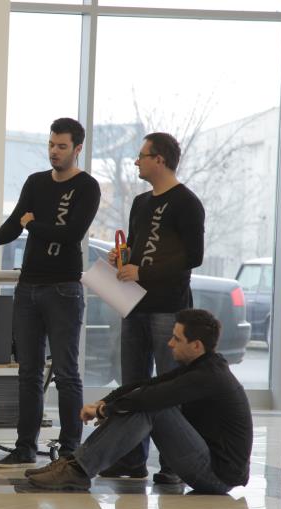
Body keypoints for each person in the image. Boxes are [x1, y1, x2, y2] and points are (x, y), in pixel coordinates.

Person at [0, 118, 101, 467]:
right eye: (51, 145)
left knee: (66, 372)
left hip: (63, 288)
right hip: (29, 287)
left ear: (77, 149)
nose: (54, 152)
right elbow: (17, 221)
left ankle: (71, 450)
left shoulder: (87, 187)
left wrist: (33, 225)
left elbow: (71, 234)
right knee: (28, 372)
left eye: (62, 146)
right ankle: (25, 447)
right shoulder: (36, 182)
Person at [25, 309, 253, 495]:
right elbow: (147, 384)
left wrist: (105, 411)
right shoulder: (202, 366)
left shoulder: (208, 376)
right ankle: (76, 465)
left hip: (217, 477)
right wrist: (104, 402)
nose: (170, 343)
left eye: (177, 339)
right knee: (145, 400)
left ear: (196, 346)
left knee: (151, 407)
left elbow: (150, 397)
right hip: (209, 464)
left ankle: (77, 470)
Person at [104, 132, 205, 484]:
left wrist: (143, 271)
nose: (136, 161)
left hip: (168, 308)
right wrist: (122, 258)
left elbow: (193, 256)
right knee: (133, 385)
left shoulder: (187, 203)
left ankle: (173, 465)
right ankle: (132, 460)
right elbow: (136, 247)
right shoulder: (141, 202)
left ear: (159, 159)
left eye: (142, 155)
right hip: (134, 303)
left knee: (169, 387)